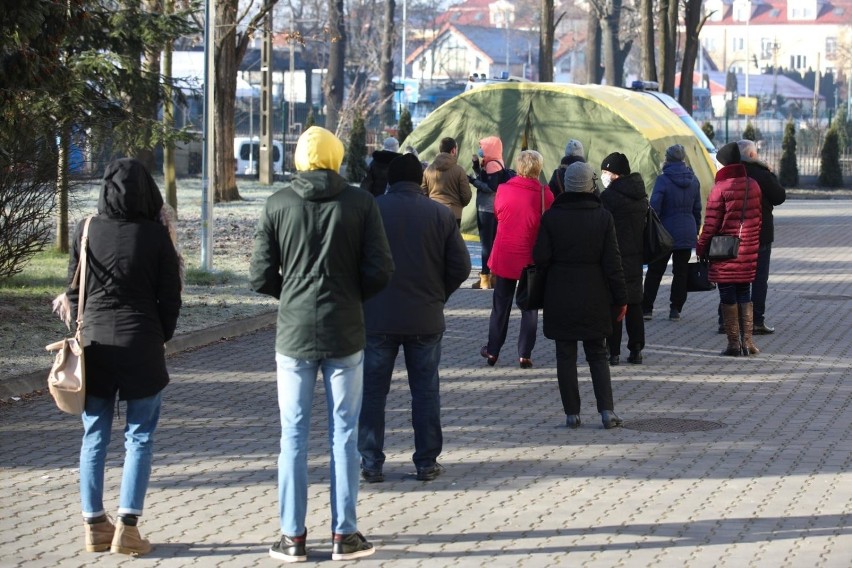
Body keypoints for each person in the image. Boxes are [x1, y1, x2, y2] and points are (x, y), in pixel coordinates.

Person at [250, 126, 394, 562]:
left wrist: (290, 294)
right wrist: (351, 294)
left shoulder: (277, 204)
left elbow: (259, 275)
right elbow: (381, 268)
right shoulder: (361, 203)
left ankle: (292, 536)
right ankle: (344, 535)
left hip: (293, 333)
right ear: (335, 158)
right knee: (344, 434)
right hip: (346, 329)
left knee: (292, 435)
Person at [70, 158, 182, 556]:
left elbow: (74, 290)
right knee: (140, 437)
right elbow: (171, 298)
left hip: (95, 346)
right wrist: (159, 336)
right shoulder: (156, 237)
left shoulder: (86, 230)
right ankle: (128, 528)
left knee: (94, 434)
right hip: (142, 344)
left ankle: (94, 525)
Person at [359, 153, 471, 484]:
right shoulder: (439, 214)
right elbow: (461, 266)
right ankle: (426, 462)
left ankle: (371, 461)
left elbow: (354, 262)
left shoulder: (372, 211)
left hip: (378, 318)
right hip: (425, 317)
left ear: (390, 180)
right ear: (419, 179)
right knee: (424, 391)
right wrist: (439, 295)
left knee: (372, 392)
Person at [533, 162, 627, 429]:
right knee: (598, 352)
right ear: (590, 184)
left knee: (565, 354)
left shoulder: (552, 217)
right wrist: (621, 298)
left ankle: (571, 413)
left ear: (566, 185)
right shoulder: (603, 216)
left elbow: (540, 257)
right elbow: (613, 262)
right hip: (595, 294)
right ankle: (607, 411)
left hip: (559, 294)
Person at [480, 150, 554, 368]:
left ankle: (492, 351)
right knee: (529, 307)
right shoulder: (545, 194)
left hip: (505, 255)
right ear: (538, 168)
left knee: (501, 306)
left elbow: (498, 214)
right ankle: (524, 354)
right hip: (530, 257)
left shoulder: (503, 189)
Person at [696, 142, 762, 357]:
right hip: (748, 248)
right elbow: (758, 220)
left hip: (725, 251)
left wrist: (701, 248)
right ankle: (749, 343)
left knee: (727, 294)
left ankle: (734, 344)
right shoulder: (753, 185)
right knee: (745, 292)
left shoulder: (720, 188)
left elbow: (711, 225)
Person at [642, 144, 703, 322]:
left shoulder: (663, 180)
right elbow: (697, 209)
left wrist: (650, 229)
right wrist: (695, 228)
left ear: (667, 159)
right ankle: (675, 309)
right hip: (687, 231)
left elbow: (654, 207)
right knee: (681, 272)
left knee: (655, 271)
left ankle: (647, 308)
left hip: (665, 233)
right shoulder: (694, 180)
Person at [600, 152, 648, 365]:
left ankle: (613, 351)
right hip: (635, 257)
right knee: (635, 303)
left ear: (616, 174)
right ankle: (636, 348)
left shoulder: (608, 198)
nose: (603, 176)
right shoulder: (640, 196)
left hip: (614, 256)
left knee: (615, 304)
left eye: (606, 172)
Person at [736, 138, 786, 334]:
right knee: (758, 278)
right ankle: (756, 321)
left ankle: (727, 320)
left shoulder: (729, 174)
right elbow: (779, 196)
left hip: (735, 233)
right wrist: (771, 174)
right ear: (751, 155)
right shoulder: (762, 175)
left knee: (734, 277)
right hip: (760, 233)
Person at [470, 135, 512, 290]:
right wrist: (476, 166)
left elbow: (490, 187)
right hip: (495, 207)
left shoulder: (492, 165)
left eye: (483, 147)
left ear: (489, 148)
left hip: (486, 208)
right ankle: (493, 276)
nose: (480, 150)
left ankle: (485, 278)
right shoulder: (496, 161)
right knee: (493, 242)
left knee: (485, 244)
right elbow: (485, 180)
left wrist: (472, 181)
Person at [422, 136, 473, 227]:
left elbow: (423, 193)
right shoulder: (459, 171)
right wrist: (458, 206)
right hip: (454, 214)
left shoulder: (428, 170)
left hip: (433, 213)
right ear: (453, 150)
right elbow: (466, 195)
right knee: (452, 241)